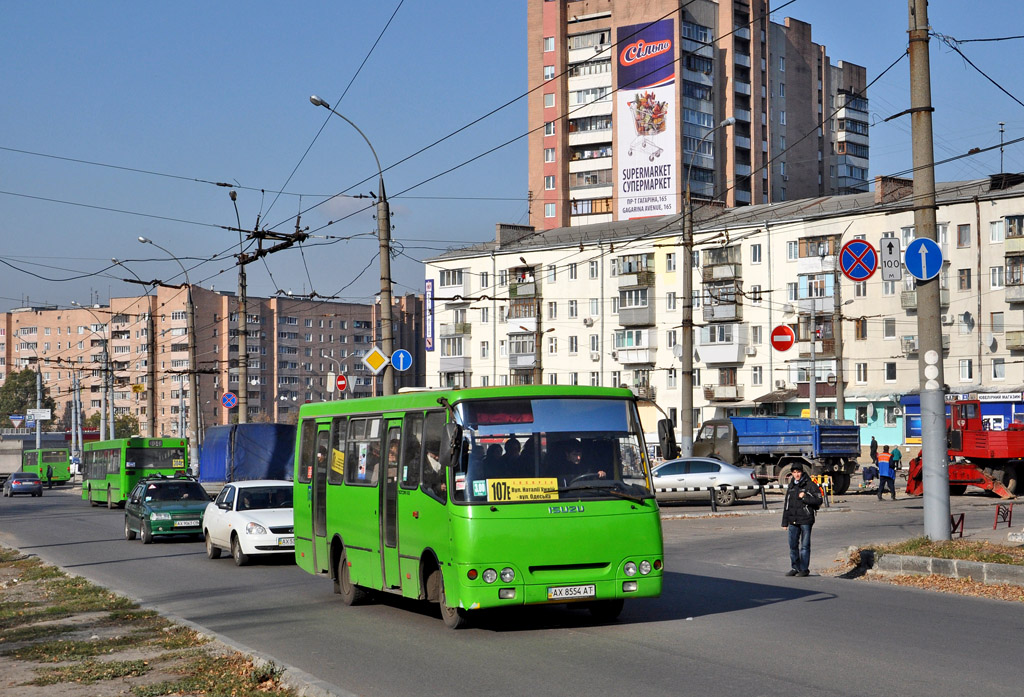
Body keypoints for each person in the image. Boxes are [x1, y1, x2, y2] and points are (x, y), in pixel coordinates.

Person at [781, 463, 822, 577]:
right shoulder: (791, 486)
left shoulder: (810, 485)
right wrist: (784, 522)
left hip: (805, 520)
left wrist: (804, 497)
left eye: (798, 472)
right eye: (794, 472)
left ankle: (804, 569)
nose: (796, 474)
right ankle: (795, 567)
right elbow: (787, 505)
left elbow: (818, 500)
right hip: (793, 520)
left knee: (804, 546)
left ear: (802, 472)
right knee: (793, 545)